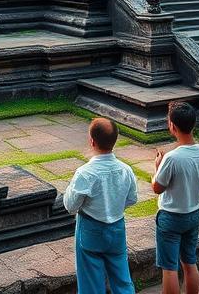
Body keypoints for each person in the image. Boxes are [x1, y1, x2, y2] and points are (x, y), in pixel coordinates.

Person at [64, 118, 139, 294]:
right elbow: (132, 199)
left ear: (92, 141)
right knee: (122, 279)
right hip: (117, 228)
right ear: (115, 140)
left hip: (90, 228)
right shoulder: (125, 170)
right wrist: (114, 206)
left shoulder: (85, 173)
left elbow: (70, 206)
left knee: (91, 283)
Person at [152, 102, 199, 294]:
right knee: (189, 261)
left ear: (172, 126)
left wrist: (157, 168)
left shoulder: (172, 158)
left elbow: (157, 187)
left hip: (171, 215)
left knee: (170, 267)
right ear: (194, 124)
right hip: (194, 212)